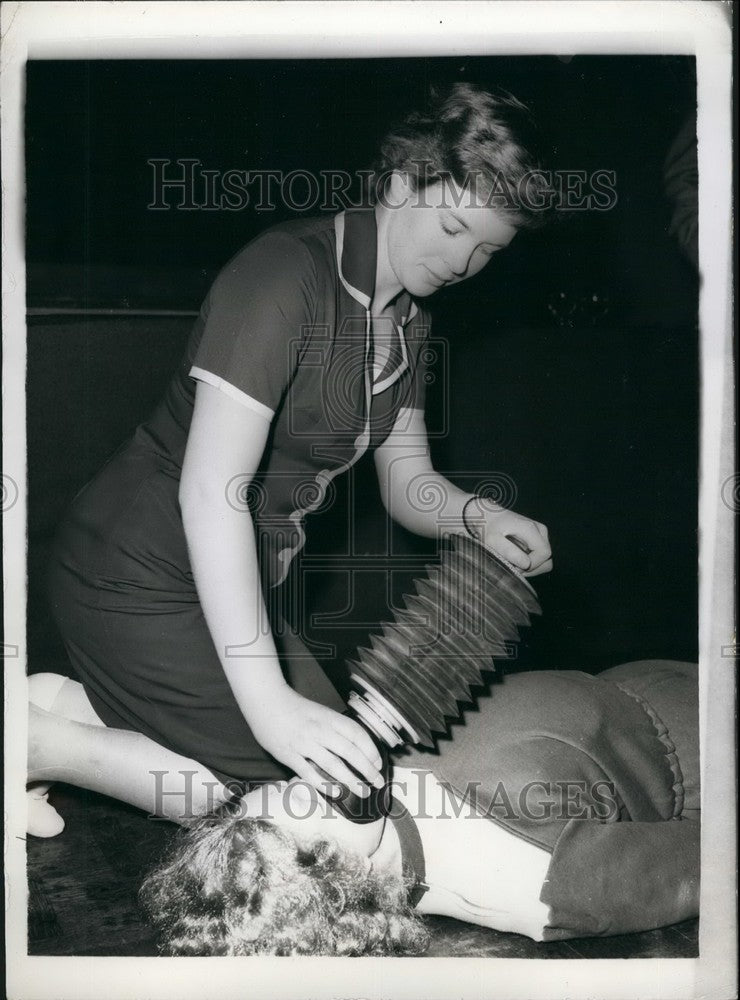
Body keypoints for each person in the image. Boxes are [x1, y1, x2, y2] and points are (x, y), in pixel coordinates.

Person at [31, 82, 555, 835]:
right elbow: (211, 492)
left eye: (489, 250)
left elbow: (409, 484)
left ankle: (54, 706)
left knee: (356, 779)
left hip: (233, 587)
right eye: (453, 227)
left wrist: (479, 517)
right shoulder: (283, 275)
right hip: (135, 569)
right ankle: (34, 745)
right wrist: (271, 706)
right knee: (296, 804)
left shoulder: (410, 321)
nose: (464, 262)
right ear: (400, 183)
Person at [27, 657, 699, 953]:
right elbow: (708, 859)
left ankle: (42, 733)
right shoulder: (539, 884)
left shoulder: (352, 805)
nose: (304, 782)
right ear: (341, 896)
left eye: (263, 804)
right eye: (304, 809)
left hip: (629, 679)